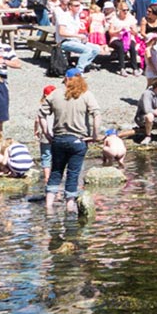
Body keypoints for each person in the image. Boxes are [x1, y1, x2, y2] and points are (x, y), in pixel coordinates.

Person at [38, 72, 99, 211]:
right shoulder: (86, 95)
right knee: (73, 173)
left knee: (56, 171)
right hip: (78, 140)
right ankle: (69, 207)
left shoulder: (55, 94)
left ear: (65, 79)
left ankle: (48, 206)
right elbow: (96, 114)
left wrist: (47, 133)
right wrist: (95, 135)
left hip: (58, 139)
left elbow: (41, 114)